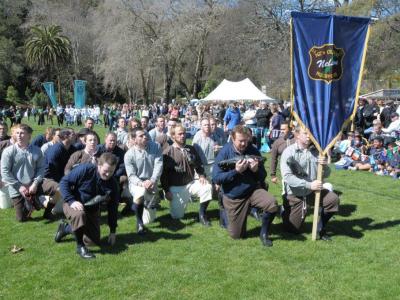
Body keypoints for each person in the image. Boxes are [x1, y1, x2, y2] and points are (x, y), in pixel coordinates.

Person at [213, 125, 278, 247]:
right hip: (234, 197)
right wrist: (236, 171)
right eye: (240, 141)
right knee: (237, 236)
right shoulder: (225, 152)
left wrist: (256, 170)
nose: (244, 144)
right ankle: (224, 210)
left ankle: (264, 234)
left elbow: (263, 175)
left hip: (252, 191)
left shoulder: (253, 150)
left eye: (246, 141)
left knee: (272, 204)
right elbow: (216, 178)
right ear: (232, 139)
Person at [55, 153, 120, 259]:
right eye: (105, 170)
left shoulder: (113, 184)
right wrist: (71, 201)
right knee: (79, 215)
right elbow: (64, 182)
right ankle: (80, 247)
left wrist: (113, 231)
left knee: (93, 242)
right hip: (73, 203)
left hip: (91, 210)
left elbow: (113, 208)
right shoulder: (85, 169)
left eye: (111, 172)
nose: (108, 174)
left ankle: (65, 228)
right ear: (99, 165)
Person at [280, 125, 340, 240]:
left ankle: (320, 228)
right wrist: (309, 184)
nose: (309, 136)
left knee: (333, 200)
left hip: (313, 191)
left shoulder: (317, 151)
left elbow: (326, 174)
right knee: (293, 230)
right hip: (295, 194)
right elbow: (287, 177)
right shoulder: (289, 152)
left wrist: (324, 165)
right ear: (297, 135)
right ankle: (284, 211)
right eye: (305, 133)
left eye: (310, 134)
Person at [161, 124, 213, 225]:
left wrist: (202, 175)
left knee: (207, 187)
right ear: (173, 136)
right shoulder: (167, 152)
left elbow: (199, 165)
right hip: (176, 188)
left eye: (184, 133)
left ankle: (202, 215)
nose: (182, 136)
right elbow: (163, 174)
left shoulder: (191, 149)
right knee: (177, 216)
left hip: (191, 183)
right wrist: (166, 191)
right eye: (179, 134)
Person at [0, 124, 45, 222]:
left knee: (54, 189)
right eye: (17, 133)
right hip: (16, 187)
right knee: (21, 219)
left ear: (29, 135)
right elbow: (4, 171)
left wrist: (35, 183)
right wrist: (19, 187)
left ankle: (41, 204)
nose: (19, 136)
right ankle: (31, 203)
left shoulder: (37, 150)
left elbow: (41, 168)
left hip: (33, 185)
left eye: (22, 133)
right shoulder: (8, 151)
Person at [124, 128, 163, 234]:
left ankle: (145, 205)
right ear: (134, 139)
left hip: (152, 182)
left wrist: (152, 180)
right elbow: (131, 175)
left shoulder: (156, 146)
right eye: (141, 136)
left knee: (150, 220)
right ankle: (139, 223)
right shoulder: (129, 155)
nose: (145, 137)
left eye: (145, 134)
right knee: (140, 193)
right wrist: (142, 183)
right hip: (137, 183)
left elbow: (158, 165)